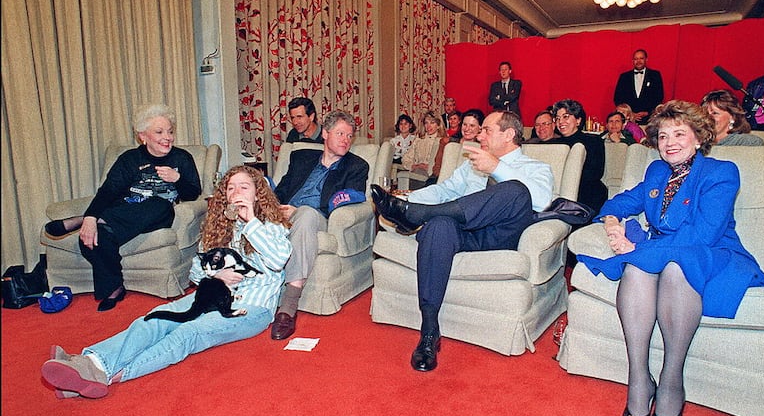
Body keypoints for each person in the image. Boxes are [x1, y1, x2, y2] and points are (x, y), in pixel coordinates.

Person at [577, 99, 764, 416]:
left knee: (675, 268)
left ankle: (670, 381)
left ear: (698, 138)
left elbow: (704, 234)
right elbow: (622, 201)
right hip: (662, 251)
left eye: (680, 133)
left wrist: (639, 247)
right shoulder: (656, 172)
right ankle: (639, 378)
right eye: (663, 136)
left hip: (710, 252)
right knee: (637, 270)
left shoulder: (721, 173)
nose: (670, 143)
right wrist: (611, 222)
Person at [40, 165, 293, 399]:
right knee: (156, 317)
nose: (236, 192)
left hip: (251, 309)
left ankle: (103, 376)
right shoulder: (220, 228)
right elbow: (195, 272)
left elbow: (278, 259)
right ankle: (90, 363)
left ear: (258, 194)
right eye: (230, 187)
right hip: (210, 295)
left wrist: (250, 222)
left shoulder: (271, 227)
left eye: (244, 187)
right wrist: (215, 275)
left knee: (189, 332)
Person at [371, 111, 554, 372]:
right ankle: (429, 332)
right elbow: (444, 190)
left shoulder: (535, 168)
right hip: (462, 232)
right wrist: (408, 200)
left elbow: (542, 200)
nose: (480, 135)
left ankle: (417, 217)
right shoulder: (472, 164)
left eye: (487, 130)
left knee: (516, 190)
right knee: (439, 224)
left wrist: (497, 169)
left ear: (509, 134)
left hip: (499, 236)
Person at [43, 104, 202, 312]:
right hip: (125, 213)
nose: (168, 137)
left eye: (170, 131)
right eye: (159, 132)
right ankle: (114, 288)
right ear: (142, 136)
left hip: (157, 214)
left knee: (160, 204)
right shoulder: (129, 159)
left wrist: (177, 178)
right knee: (93, 237)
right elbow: (108, 191)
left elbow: (193, 192)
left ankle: (85, 219)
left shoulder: (182, 158)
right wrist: (92, 217)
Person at [272, 110, 369, 340]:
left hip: (316, 218)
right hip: (284, 214)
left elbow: (356, 195)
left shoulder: (356, 166)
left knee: (305, 214)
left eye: (349, 135)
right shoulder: (302, 158)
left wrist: (296, 211)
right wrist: (273, 208)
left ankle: (288, 306)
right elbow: (283, 188)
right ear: (325, 133)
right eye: (340, 133)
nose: (345, 139)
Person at [552, 99, 608, 215]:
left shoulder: (593, 141)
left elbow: (596, 173)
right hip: (558, 193)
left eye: (565, 117)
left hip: (588, 194)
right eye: (557, 118)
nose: (560, 122)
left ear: (578, 120)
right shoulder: (553, 144)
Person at [430, 108, 485, 185]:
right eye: (464, 124)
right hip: (440, 181)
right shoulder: (448, 142)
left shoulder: (482, 148)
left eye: (472, 125)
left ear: (480, 128)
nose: (467, 129)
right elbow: (437, 169)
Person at [613, 49, 664, 124]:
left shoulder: (655, 75)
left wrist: (648, 112)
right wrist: (630, 113)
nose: (638, 61)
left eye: (641, 58)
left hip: (649, 120)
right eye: (636, 59)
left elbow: (659, 96)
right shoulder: (624, 77)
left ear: (646, 59)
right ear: (632, 61)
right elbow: (618, 98)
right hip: (628, 120)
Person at [400, 111, 446, 188]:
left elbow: (445, 163)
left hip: (433, 175)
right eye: (426, 123)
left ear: (438, 125)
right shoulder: (418, 140)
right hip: (417, 172)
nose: (428, 126)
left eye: (432, 123)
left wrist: (429, 166)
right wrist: (413, 166)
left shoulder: (442, 141)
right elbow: (405, 159)